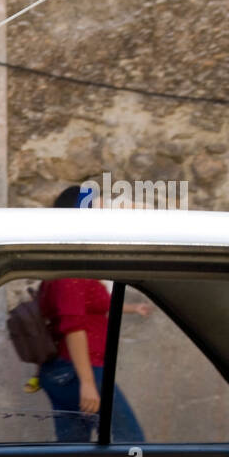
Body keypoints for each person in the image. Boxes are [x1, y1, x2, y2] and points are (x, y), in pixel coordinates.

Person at [37, 185, 148, 442]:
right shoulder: (71, 268)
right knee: (130, 440)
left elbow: (95, 307)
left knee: (73, 448)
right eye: (95, 209)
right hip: (80, 370)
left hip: (71, 370)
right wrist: (87, 382)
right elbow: (74, 327)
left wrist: (133, 308)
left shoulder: (70, 262)